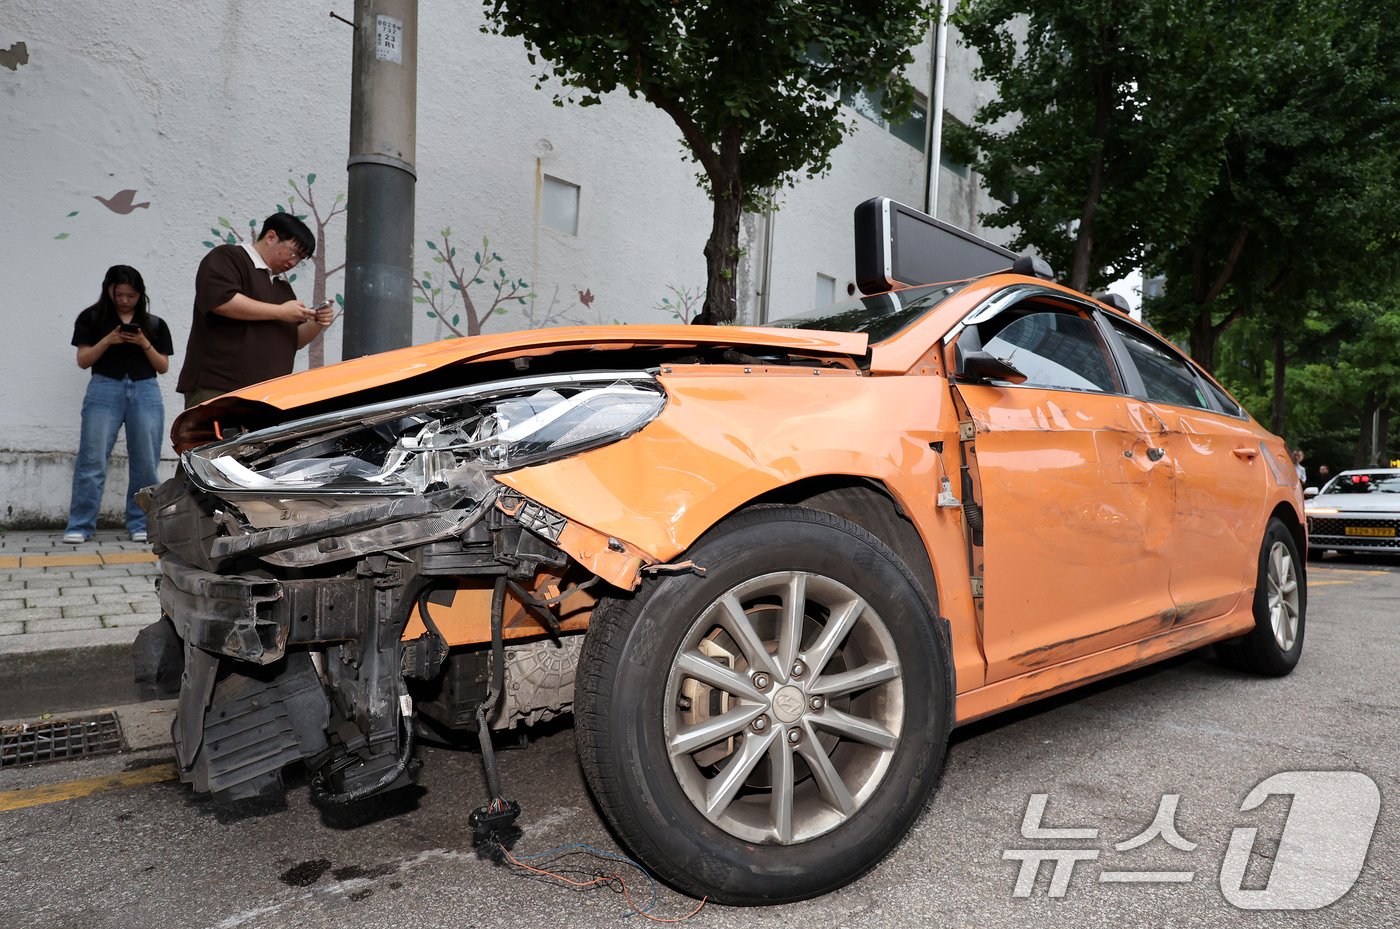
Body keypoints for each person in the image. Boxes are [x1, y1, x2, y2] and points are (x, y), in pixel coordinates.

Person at [63, 265, 174, 543]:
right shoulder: (91, 318)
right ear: (109, 290)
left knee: (145, 461)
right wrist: (109, 339)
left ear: (141, 295)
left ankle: (141, 523)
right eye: (119, 294)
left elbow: (162, 366)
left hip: (145, 389)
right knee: (92, 458)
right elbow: (83, 360)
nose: (125, 300)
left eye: (131, 295)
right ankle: (80, 524)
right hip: (104, 387)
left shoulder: (154, 324)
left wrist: (143, 342)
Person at [176, 213, 333, 408]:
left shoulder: (282, 288)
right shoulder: (229, 257)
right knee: (216, 439)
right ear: (270, 237)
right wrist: (280, 311)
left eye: (299, 260)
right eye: (293, 253)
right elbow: (222, 301)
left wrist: (317, 321)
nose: (293, 263)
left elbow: (293, 340)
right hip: (219, 388)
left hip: (268, 398)